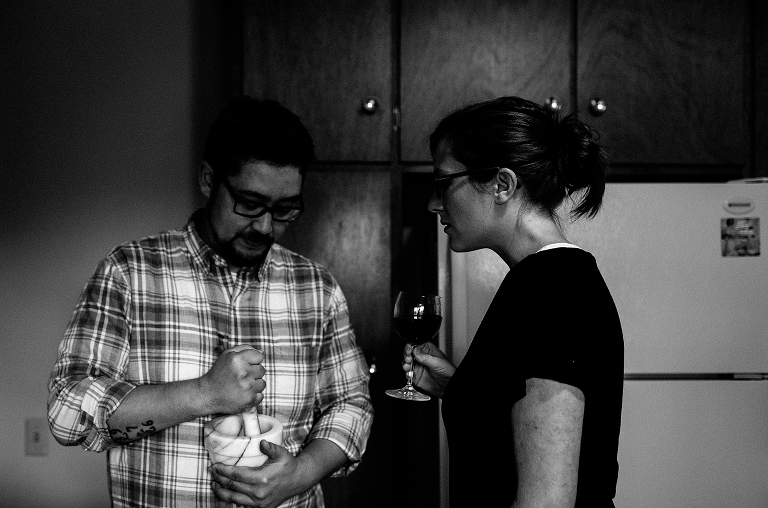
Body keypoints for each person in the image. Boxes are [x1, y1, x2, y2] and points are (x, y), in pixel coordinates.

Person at [47, 96, 374, 508]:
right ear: (207, 180)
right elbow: (66, 411)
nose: (265, 226)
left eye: (285, 209)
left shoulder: (317, 287)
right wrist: (203, 394)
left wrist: (300, 475)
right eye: (250, 204)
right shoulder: (129, 272)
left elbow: (352, 405)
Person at [403, 96, 624, 507]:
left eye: (443, 182)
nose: (434, 203)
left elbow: (546, 501)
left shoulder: (552, 289)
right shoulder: (545, 281)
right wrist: (462, 387)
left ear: (502, 185)